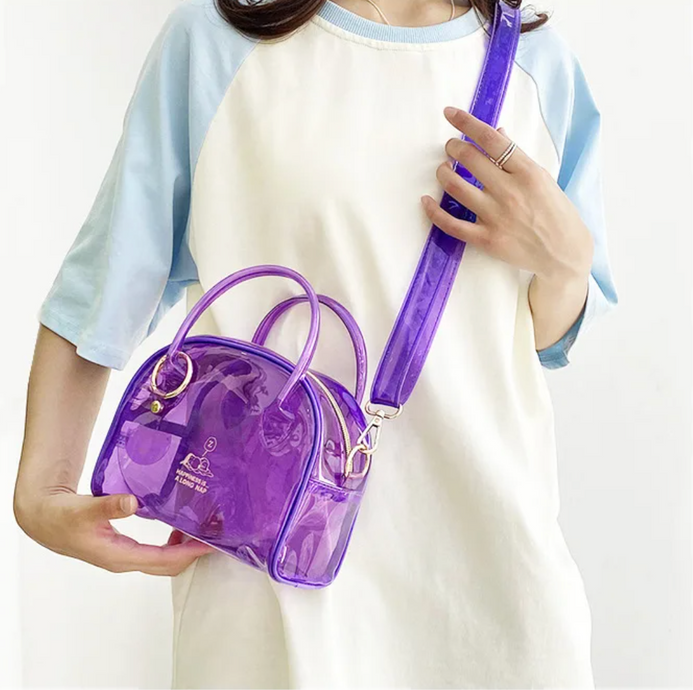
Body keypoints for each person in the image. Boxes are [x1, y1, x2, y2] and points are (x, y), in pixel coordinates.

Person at [13, 0, 618, 686]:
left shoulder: (537, 66)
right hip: (266, 584)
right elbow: (104, 284)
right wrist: (43, 487)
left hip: (491, 586)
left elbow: (545, 337)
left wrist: (566, 263)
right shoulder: (216, 43)